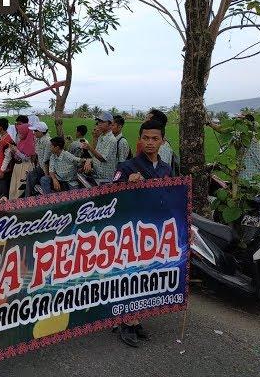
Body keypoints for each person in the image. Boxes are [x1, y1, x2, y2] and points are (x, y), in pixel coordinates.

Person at [113, 119, 172, 347]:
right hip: (132, 233)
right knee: (129, 275)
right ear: (140, 140)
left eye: (154, 139)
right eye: (145, 138)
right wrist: (126, 184)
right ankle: (125, 322)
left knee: (146, 278)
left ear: (162, 141)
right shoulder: (127, 167)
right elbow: (110, 196)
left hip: (155, 233)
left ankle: (134, 319)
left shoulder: (166, 168)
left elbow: (171, 199)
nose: (150, 143)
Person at [82, 112, 117, 182]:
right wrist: (89, 161)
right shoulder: (101, 136)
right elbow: (95, 155)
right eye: (99, 121)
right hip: (96, 175)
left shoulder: (112, 140)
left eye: (102, 122)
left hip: (105, 179)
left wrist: (89, 148)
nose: (99, 124)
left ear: (110, 124)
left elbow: (102, 158)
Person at [9, 116, 35, 200]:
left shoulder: (30, 143)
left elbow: (27, 158)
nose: (19, 135)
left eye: (21, 133)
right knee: (15, 186)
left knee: (21, 187)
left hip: (25, 167)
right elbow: (18, 156)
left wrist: (16, 151)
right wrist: (13, 151)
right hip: (18, 166)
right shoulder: (21, 142)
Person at [26, 121, 51, 197]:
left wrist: (46, 174)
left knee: (37, 178)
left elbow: (46, 159)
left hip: (47, 169)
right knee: (30, 175)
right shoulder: (38, 140)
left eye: (36, 131)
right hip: (41, 166)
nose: (34, 132)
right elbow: (37, 153)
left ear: (42, 131)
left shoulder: (47, 142)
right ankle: (29, 197)